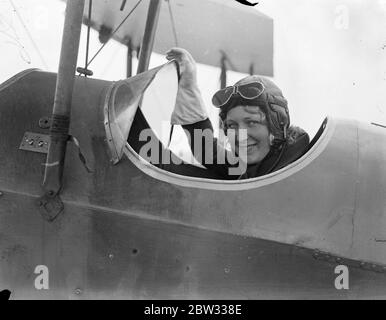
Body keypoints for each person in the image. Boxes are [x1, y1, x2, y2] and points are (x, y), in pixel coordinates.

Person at [166, 48, 309, 180]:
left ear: (279, 124)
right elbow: (206, 151)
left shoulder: (304, 172)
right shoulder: (247, 167)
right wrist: (187, 85)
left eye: (251, 122)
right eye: (232, 125)